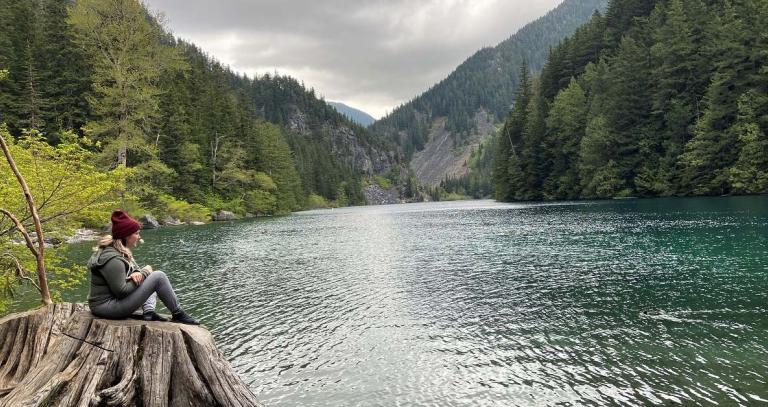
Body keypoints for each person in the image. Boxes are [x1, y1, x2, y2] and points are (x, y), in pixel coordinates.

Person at [87, 210, 199, 325]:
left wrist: (137, 272)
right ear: (126, 235)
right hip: (107, 307)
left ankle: (149, 312)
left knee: (149, 276)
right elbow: (121, 291)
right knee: (158, 276)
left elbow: (121, 278)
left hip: (108, 304)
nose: (139, 237)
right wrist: (144, 273)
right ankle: (178, 313)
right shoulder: (113, 258)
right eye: (136, 233)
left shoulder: (115, 251)